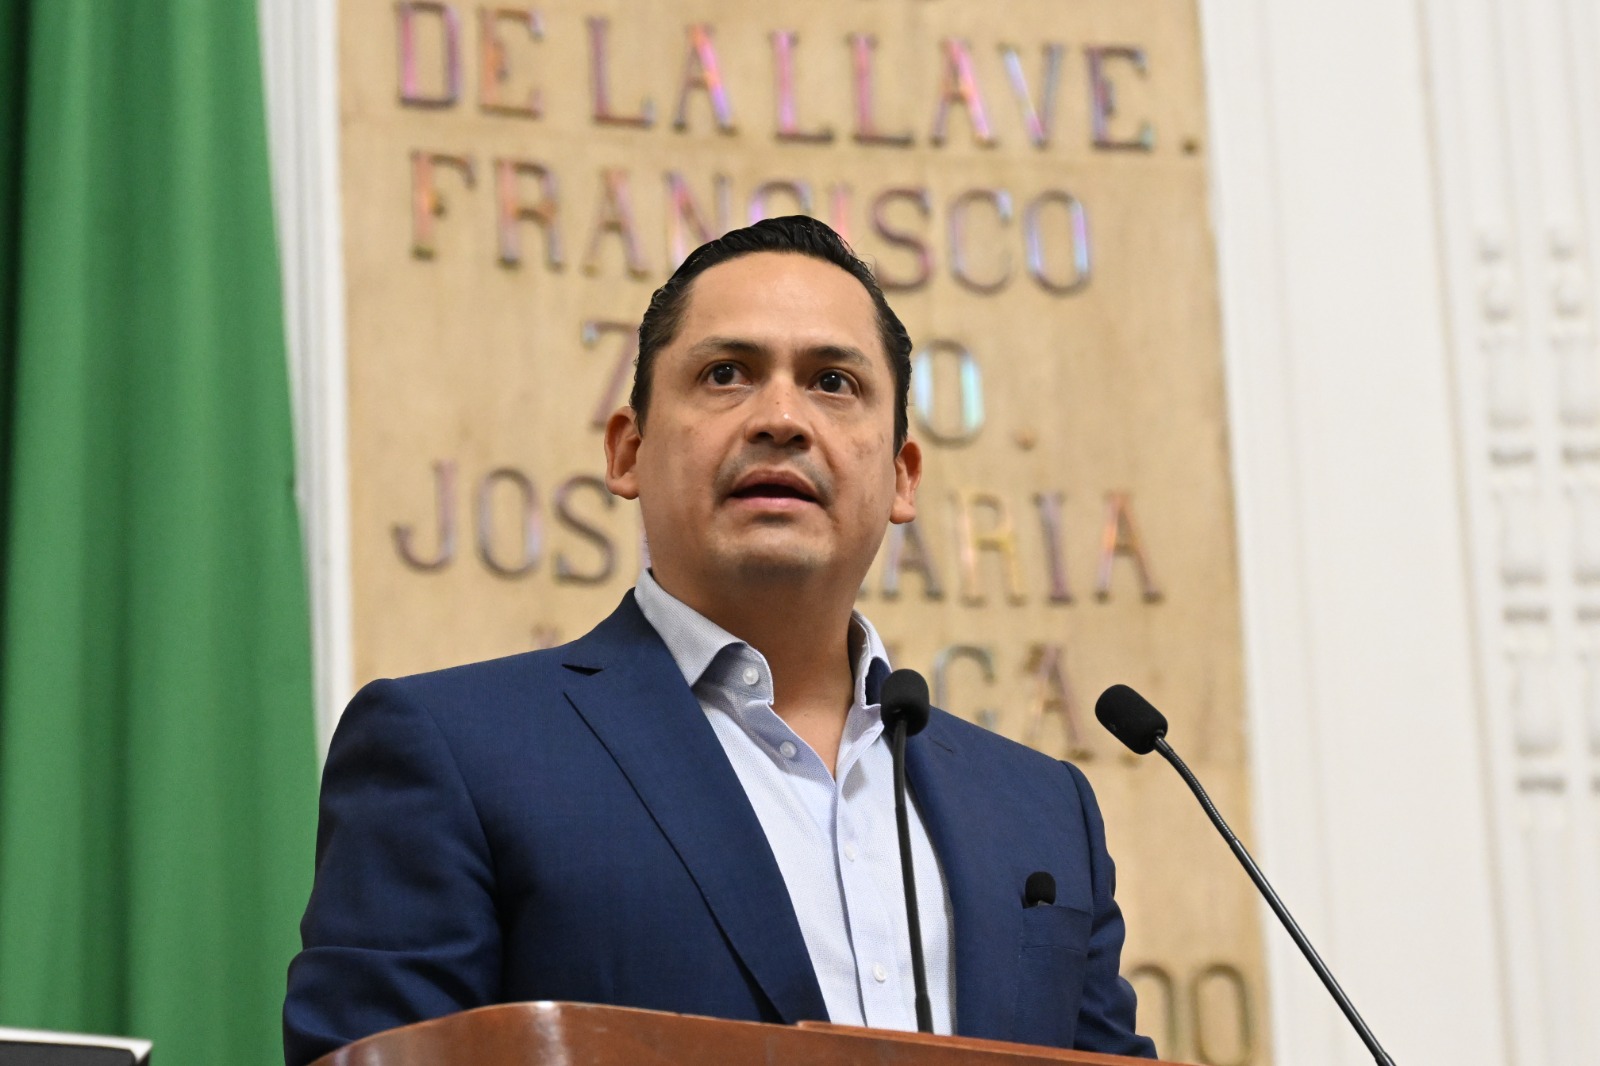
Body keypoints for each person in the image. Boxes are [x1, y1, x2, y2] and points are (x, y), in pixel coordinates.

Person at [282, 216, 1157, 1065]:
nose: (782, 418)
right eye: (726, 373)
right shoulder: (458, 752)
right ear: (627, 452)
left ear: (901, 476)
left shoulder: (1042, 811)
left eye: (832, 382)